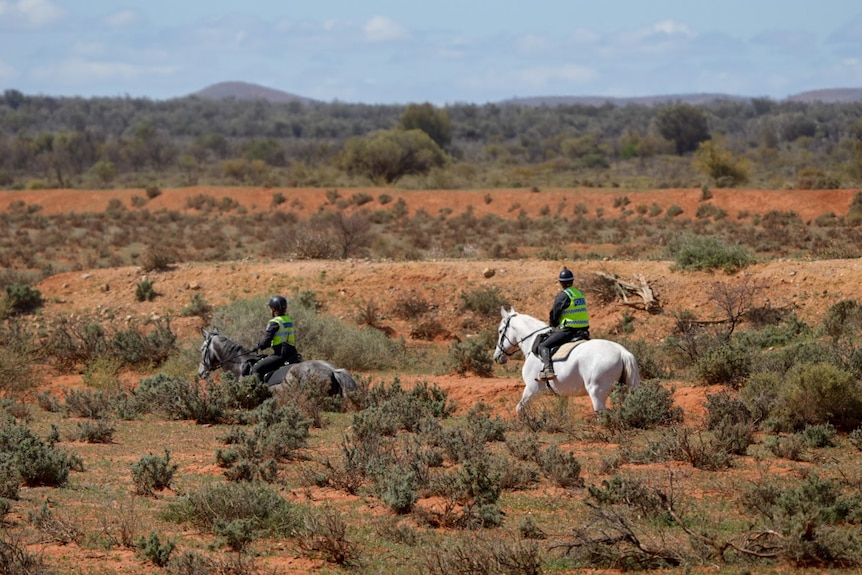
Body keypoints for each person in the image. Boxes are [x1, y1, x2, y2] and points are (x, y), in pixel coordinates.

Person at [537, 267, 590, 381]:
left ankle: (548, 370)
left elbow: (555, 312)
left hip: (569, 331)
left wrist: (553, 324)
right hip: (583, 331)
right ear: (572, 280)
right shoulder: (579, 294)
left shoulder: (564, 295)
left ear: (561, 283)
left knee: (544, 345)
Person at [251, 295, 299, 382]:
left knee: (256, 369)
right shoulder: (288, 320)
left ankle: (258, 393)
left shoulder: (274, 322)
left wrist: (258, 346)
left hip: (280, 354)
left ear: (273, 309)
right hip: (292, 354)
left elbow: (267, 342)